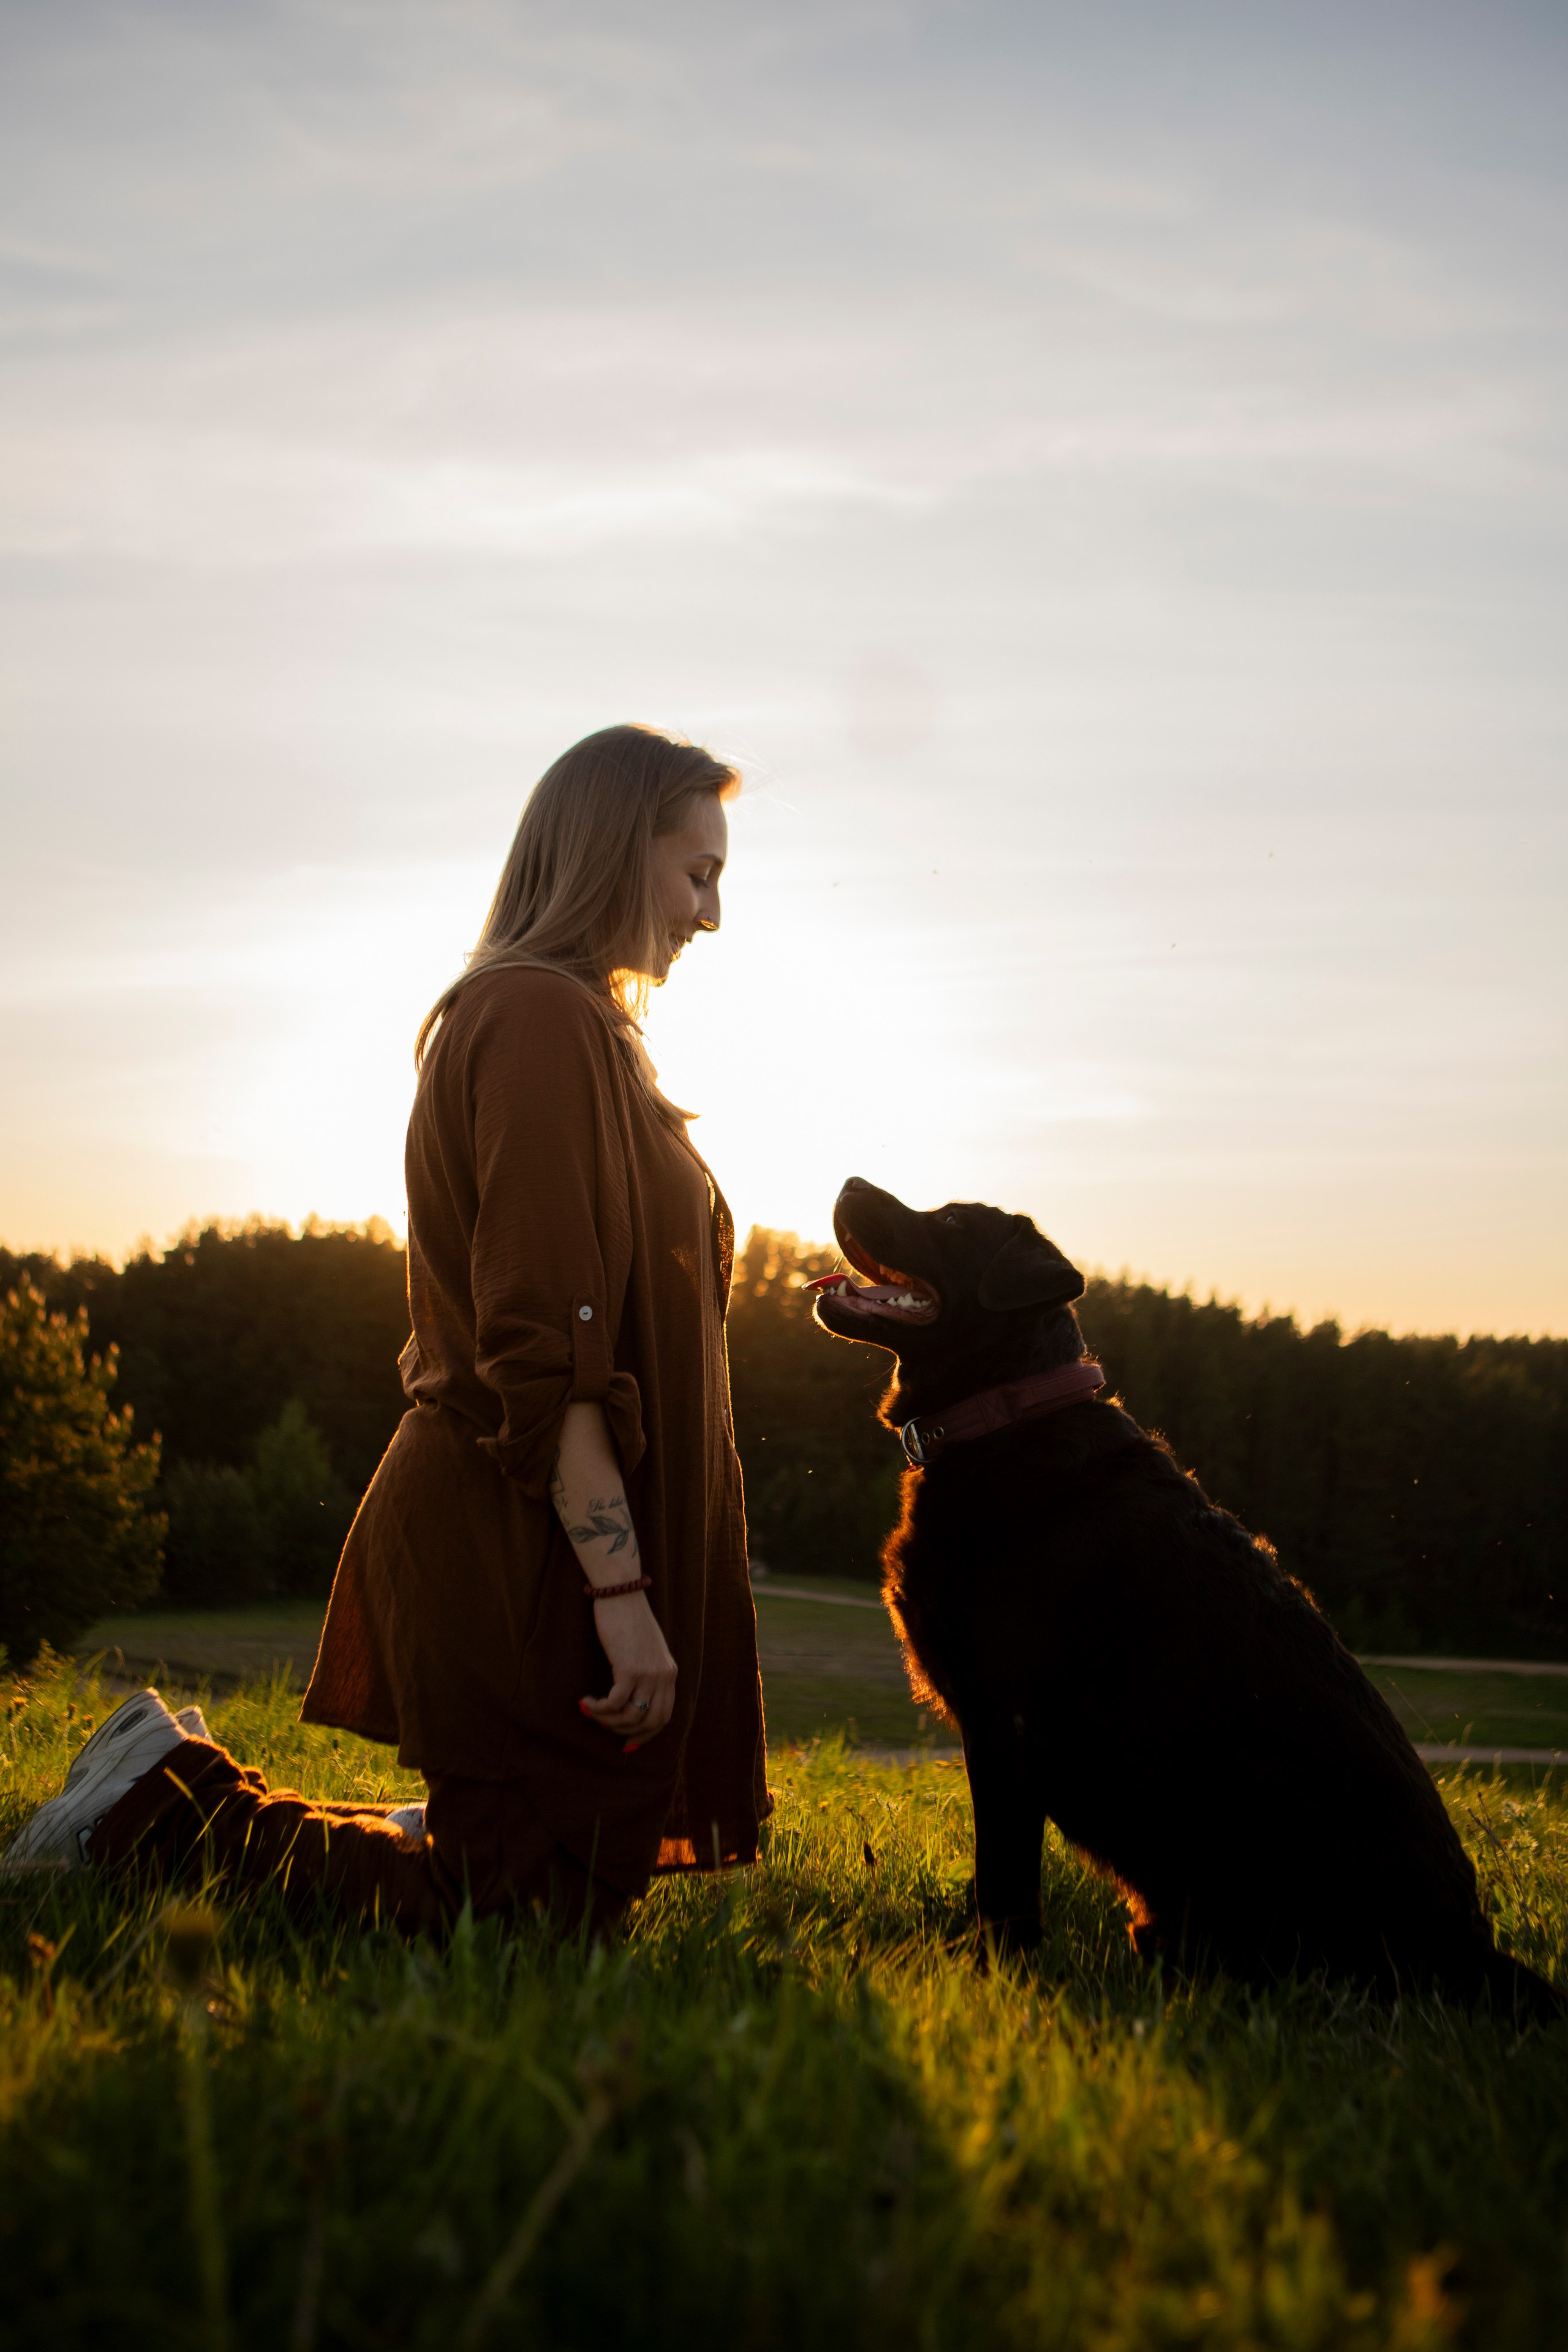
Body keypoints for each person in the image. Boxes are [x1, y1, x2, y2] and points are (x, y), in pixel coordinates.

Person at [6, 725, 769, 1939]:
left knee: (543, 1876)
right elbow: (543, 1337)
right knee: (517, 1920)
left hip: (533, 1539)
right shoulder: (535, 1015)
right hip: (513, 1544)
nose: (711, 914)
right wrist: (618, 1586)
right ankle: (159, 1800)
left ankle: (185, 1787)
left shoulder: (585, 1030)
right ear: (614, 854)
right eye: (697, 874)